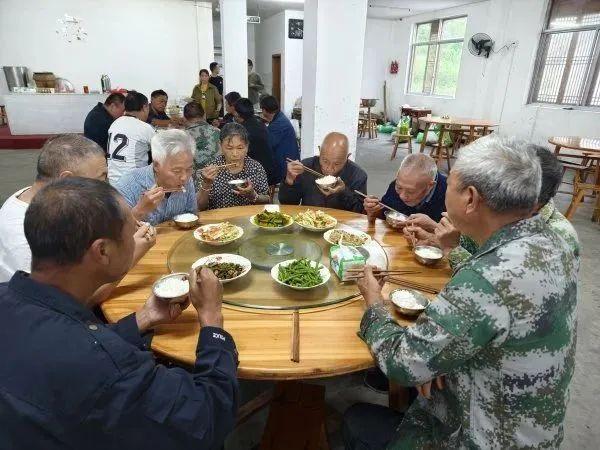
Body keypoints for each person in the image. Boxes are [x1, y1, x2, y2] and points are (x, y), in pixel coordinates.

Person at [343, 136, 579, 449]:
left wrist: (373, 301)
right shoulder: (550, 240)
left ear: (470, 198)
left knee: (355, 421)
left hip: (479, 437)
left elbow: (402, 362)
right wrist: (445, 363)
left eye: (448, 183)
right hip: (532, 430)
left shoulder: (486, 279)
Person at [0, 177, 238, 449]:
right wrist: (211, 322)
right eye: (131, 228)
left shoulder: (10, 297)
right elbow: (208, 418)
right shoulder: (107, 369)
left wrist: (143, 318)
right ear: (102, 251)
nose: (139, 230)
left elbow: (65, 340)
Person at [0, 134, 155, 298]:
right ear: (67, 179)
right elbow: (68, 305)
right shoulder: (28, 237)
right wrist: (132, 254)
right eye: (100, 178)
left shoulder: (38, 196)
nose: (105, 186)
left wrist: (132, 219)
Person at [115, 129, 198, 225]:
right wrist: (139, 211)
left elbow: (192, 216)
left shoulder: (187, 180)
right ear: (156, 165)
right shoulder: (128, 185)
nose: (184, 177)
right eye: (176, 171)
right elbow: (117, 234)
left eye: (189, 169)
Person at [279, 132, 367, 213]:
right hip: (309, 222)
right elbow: (287, 203)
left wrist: (343, 192)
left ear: (347, 157)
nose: (329, 168)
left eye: (336, 164)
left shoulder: (358, 175)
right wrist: (289, 181)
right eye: (325, 161)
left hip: (342, 226)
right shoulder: (306, 167)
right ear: (319, 151)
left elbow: (360, 212)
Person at [198, 122, 270, 210]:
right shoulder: (212, 169)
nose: (235, 154)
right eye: (229, 148)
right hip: (219, 221)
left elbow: (267, 200)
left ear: (247, 146)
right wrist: (206, 183)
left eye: (240, 148)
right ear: (220, 146)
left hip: (247, 219)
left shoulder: (255, 167)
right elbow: (199, 207)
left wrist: (253, 195)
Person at [363, 153, 446, 224]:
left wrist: (433, 227)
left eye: (410, 191)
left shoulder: (450, 194)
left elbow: (456, 239)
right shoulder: (398, 184)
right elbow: (385, 214)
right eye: (399, 187)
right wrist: (374, 212)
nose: (402, 196)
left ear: (430, 186)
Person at [107, 91, 155, 185]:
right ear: (145, 107)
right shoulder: (144, 127)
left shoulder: (115, 123)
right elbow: (160, 151)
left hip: (112, 181)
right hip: (134, 183)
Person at [233, 98, 277, 186]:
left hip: (259, 175)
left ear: (238, 114)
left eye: (234, 112)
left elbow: (239, 157)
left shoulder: (243, 131)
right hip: (270, 170)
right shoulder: (259, 123)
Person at [260, 95, 300, 183]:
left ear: (263, 110)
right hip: (288, 161)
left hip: (285, 167)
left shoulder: (278, 124)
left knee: (257, 169)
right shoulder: (280, 117)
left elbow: (267, 145)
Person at [183, 102, 220, 182]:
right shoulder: (218, 132)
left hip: (193, 184)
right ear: (204, 115)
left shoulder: (181, 137)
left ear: (184, 118)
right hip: (218, 180)